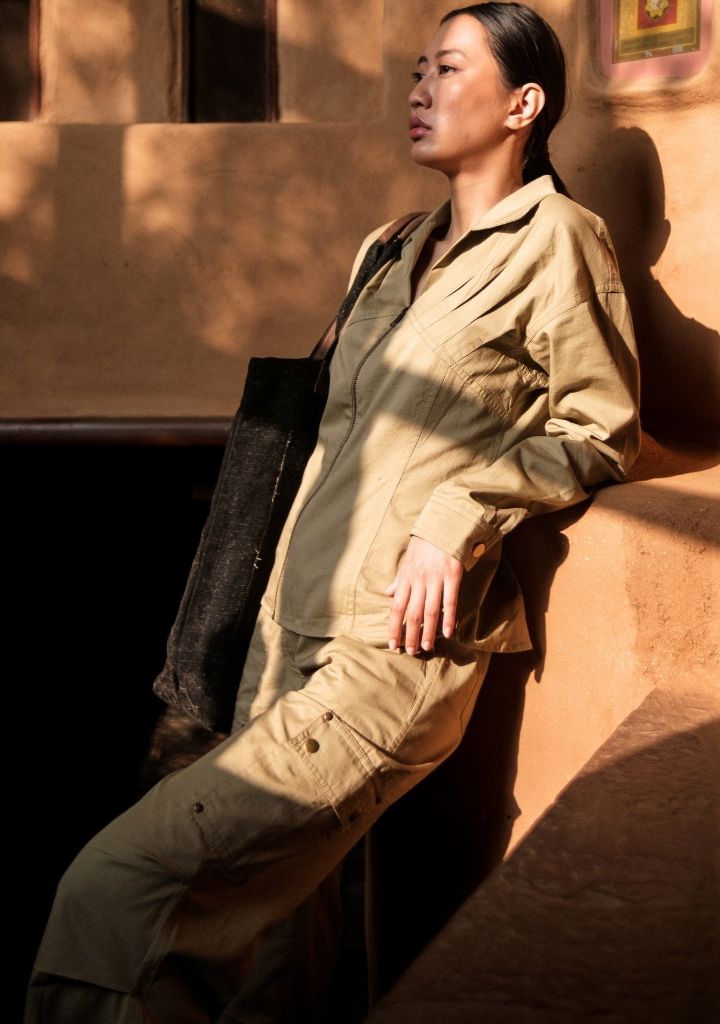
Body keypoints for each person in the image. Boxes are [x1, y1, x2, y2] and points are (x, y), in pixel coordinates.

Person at [24, 4, 640, 1022]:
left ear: (524, 104)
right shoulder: (388, 249)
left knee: (119, 884)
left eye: (449, 69)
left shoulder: (560, 242)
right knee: (275, 959)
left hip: (391, 649)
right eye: (417, 69)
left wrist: (460, 514)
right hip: (282, 628)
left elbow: (600, 426)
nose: (420, 89)